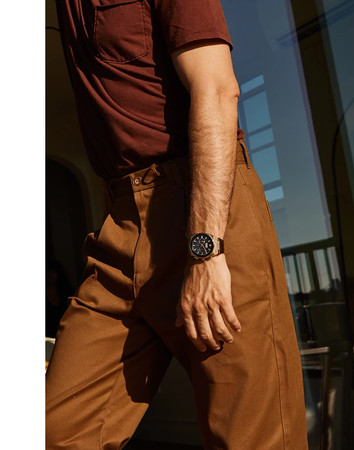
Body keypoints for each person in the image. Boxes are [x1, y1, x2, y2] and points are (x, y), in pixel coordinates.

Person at [46, 1, 309, 449]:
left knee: (249, 437)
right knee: (54, 433)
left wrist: (206, 250)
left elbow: (217, 88)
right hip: (121, 221)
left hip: (206, 207)